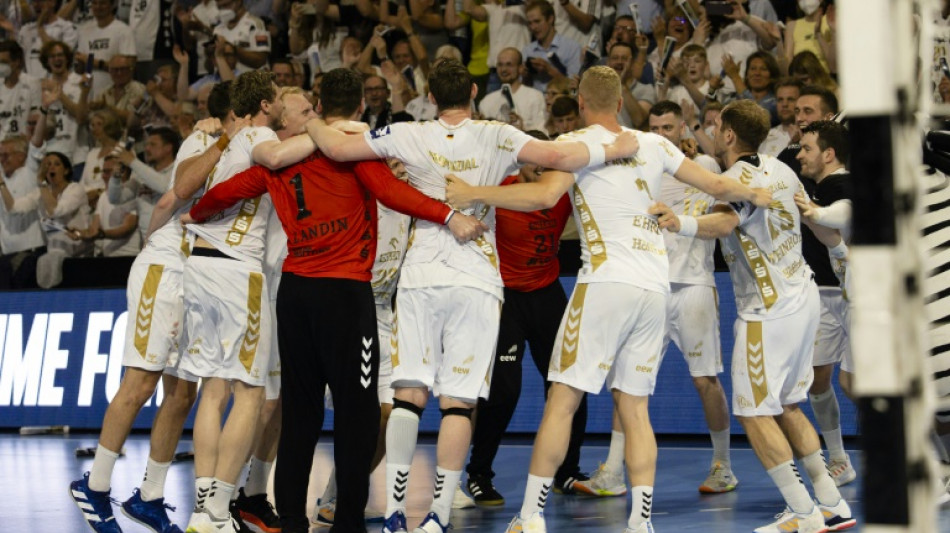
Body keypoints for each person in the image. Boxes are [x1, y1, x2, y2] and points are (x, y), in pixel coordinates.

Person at [303, 59, 639, 533]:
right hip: (478, 277)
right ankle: (438, 515)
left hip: (421, 276)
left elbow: (336, 146)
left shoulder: (407, 133)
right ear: (475, 91)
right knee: (459, 403)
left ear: (432, 97)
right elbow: (559, 159)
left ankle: (398, 511)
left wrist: (309, 118)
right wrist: (613, 149)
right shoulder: (498, 133)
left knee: (407, 395)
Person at [443, 66, 769, 533]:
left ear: (579, 102)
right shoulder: (653, 143)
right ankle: (640, 521)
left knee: (563, 398)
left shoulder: (576, 145)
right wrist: (757, 193)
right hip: (654, 284)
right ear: (620, 102)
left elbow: (541, 197)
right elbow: (718, 187)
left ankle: (531, 515)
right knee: (634, 407)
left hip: (604, 283)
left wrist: (471, 192)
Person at [185, 67, 486, 533]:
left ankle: (290, 522)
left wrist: (197, 213)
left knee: (300, 414)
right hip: (346, 297)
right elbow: (394, 193)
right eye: (305, 110)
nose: (313, 114)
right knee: (358, 413)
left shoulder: (274, 164)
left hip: (296, 295)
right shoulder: (352, 155)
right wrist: (449, 215)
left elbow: (219, 196)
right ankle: (347, 521)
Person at [650, 99, 854, 533]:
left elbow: (723, 225)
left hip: (769, 309)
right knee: (788, 405)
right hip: (804, 293)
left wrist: (677, 222)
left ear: (727, 135)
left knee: (752, 410)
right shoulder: (783, 170)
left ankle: (802, 513)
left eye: (717, 125)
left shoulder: (734, 180)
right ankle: (832, 504)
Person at [66, 83, 239, 533]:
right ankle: (96, 485)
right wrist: (155, 242)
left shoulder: (259, 144)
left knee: (184, 391)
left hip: (202, 274)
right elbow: (175, 191)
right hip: (167, 265)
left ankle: (150, 494)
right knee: (140, 381)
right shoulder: (204, 138)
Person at [577, 99, 735, 497]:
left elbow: (721, 220)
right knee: (628, 383)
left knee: (706, 380)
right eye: (656, 127)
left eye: (669, 127)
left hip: (693, 287)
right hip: (649, 287)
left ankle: (723, 466)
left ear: (683, 129)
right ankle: (613, 472)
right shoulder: (638, 171)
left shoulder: (708, 170)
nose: (661, 134)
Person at [463, 129, 590, 506]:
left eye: (545, 158)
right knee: (503, 391)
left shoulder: (561, 189)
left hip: (548, 294)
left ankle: (567, 472)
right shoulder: (499, 191)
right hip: (506, 299)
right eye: (531, 158)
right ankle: (479, 475)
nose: (539, 165)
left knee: (569, 384)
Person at [793, 119, 856, 486]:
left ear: (829, 154)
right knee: (819, 380)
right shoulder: (818, 186)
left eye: (808, 149)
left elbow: (843, 212)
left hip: (857, 299)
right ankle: (839, 460)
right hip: (824, 294)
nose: (801, 155)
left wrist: (814, 211)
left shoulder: (839, 183)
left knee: (857, 383)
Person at [0, 135, 45, 289]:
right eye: (0, 155)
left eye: (6, 155)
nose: (2, 159)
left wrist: (43, 111)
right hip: (6, 256)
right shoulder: (3, 176)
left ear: (21, 156)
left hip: (29, 254)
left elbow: (13, 209)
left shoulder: (29, 172)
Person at [76, 0, 137, 98]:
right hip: (90, 94)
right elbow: (82, 68)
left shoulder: (123, 30)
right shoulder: (84, 30)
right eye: (95, 3)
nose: (98, 7)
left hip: (116, 94)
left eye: (102, 3)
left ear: (112, 5)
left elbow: (130, 65)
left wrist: (94, 63)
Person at [478, 48, 546, 131]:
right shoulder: (487, 101)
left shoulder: (535, 96)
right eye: (500, 65)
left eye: (509, 65)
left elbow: (542, 131)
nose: (503, 70)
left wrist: (522, 128)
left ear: (520, 68)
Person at [522, 0, 581, 93]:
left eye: (537, 21)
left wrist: (549, 70)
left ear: (550, 19)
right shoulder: (527, 50)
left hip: (561, 103)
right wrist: (525, 75)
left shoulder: (571, 47)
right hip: (535, 102)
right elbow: (525, 88)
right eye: (530, 23)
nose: (533, 27)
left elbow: (573, 87)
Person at [759, 79, 802, 157]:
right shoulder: (765, 136)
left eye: (790, 99)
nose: (784, 104)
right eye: (780, 100)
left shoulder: (810, 136)